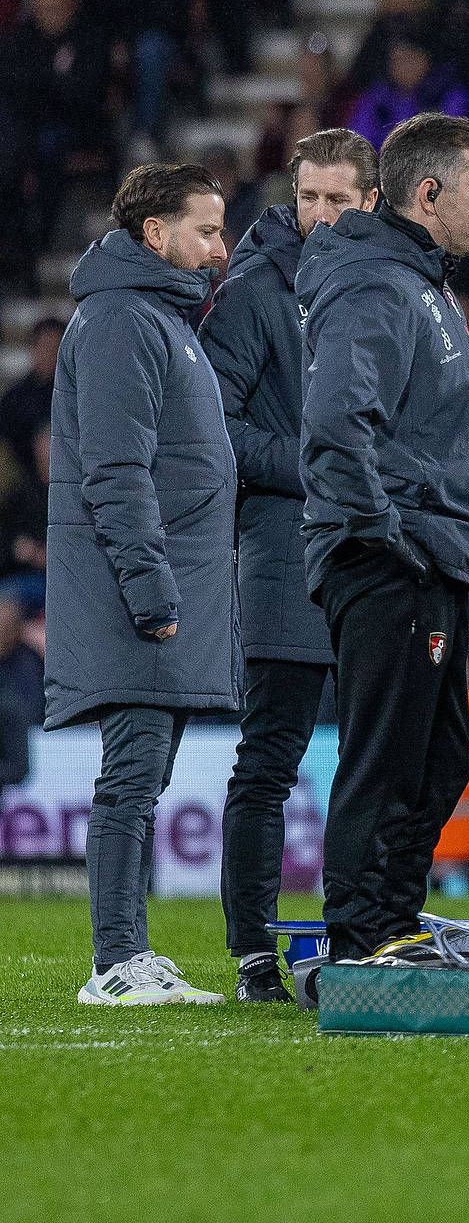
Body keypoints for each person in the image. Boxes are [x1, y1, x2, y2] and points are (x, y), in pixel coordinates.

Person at [300, 115, 469, 964]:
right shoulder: (380, 286)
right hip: (396, 559)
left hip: (430, 556)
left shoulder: (422, 285)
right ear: (428, 194)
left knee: (439, 761)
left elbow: (441, 414)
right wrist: (385, 536)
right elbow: (335, 421)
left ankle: (389, 922)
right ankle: (358, 940)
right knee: (387, 761)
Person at [47, 165, 238, 1005]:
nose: (218, 247)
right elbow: (116, 470)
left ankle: (130, 953)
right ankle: (116, 962)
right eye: (205, 230)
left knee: (144, 775)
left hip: (165, 579)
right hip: (139, 588)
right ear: (155, 235)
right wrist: (150, 586)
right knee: (130, 776)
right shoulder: (124, 319)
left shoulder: (153, 315)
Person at [201, 127, 376, 1003]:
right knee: (269, 760)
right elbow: (212, 429)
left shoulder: (392, 286)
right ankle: (252, 956)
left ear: (370, 201)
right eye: (307, 197)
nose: (318, 215)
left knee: (380, 761)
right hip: (286, 557)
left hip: (379, 555)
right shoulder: (254, 294)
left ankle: (368, 935)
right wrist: (311, 463)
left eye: (337, 200)